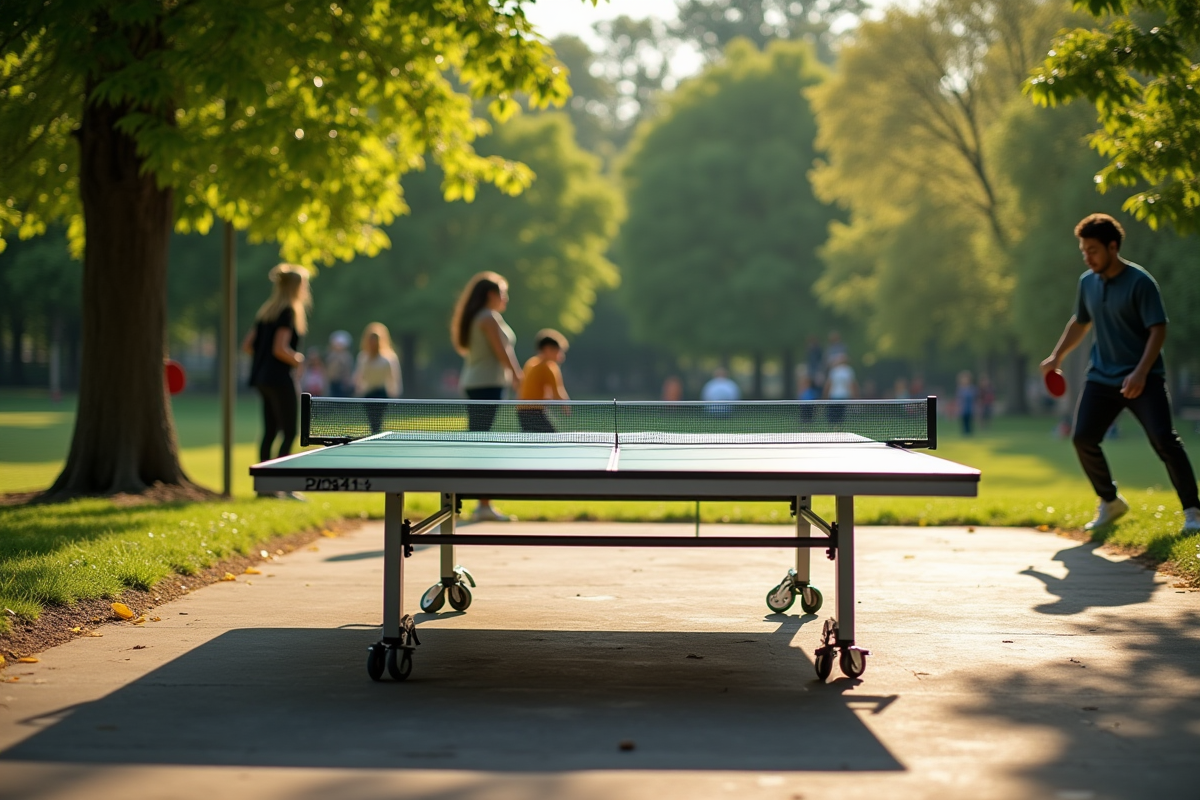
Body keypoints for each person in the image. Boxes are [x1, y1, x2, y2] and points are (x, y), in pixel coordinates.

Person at [1040, 213, 1199, 533]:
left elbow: (1158, 329)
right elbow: (1080, 321)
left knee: (1164, 441)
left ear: (1113, 247)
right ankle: (1110, 501)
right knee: (1083, 438)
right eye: (1083, 250)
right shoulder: (1087, 282)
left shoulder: (1141, 282)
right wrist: (1056, 356)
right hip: (1101, 376)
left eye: (1093, 250)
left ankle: (1193, 512)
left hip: (1144, 377)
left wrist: (1140, 373)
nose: (1087, 256)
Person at [451, 271, 523, 522]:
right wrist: (518, 376)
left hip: (481, 385)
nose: (506, 298)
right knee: (481, 443)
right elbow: (502, 351)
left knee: (480, 441)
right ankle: (480, 504)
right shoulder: (488, 318)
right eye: (503, 293)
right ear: (491, 295)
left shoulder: (482, 317)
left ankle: (481, 503)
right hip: (485, 387)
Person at [242, 264, 309, 498]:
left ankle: (265, 488)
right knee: (289, 431)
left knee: (270, 431)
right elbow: (280, 348)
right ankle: (284, 486)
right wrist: (298, 359)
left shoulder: (266, 312)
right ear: (297, 287)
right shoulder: (288, 312)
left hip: (262, 378)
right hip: (280, 379)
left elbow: (248, 345)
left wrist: (264, 361)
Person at [517, 329, 570, 432]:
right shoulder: (548, 367)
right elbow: (558, 393)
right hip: (533, 412)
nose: (561, 355)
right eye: (558, 351)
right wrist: (567, 407)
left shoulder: (530, 362)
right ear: (547, 349)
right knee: (551, 439)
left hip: (522, 411)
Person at [354, 322, 402, 434]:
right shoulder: (363, 357)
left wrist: (395, 392)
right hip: (368, 394)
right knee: (372, 421)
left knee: (377, 421)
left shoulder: (388, 358)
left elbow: (393, 377)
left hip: (381, 394)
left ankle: (376, 433)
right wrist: (357, 388)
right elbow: (359, 375)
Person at [325, 330, 354, 397]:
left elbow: (348, 370)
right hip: (332, 382)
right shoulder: (330, 355)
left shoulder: (347, 357)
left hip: (342, 383)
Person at [956, 370, 976, 436]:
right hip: (963, 409)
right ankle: (964, 433)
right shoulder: (960, 389)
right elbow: (959, 399)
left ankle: (969, 433)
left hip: (970, 408)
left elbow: (974, 398)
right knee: (963, 422)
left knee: (969, 421)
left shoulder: (971, 388)